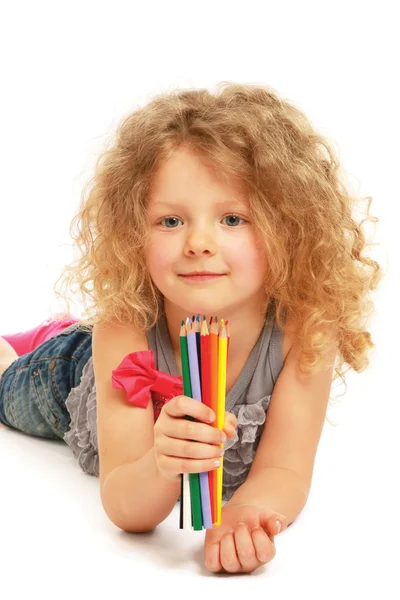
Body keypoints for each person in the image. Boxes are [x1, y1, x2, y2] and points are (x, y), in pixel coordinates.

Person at [0, 82, 382, 575]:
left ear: (289, 228)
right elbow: (124, 505)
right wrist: (162, 465)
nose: (199, 242)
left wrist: (246, 513)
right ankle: (34, 346)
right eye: (171, 221)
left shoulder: (306, 329)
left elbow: (285, 469)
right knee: (8, 387)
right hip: (66, 374)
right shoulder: (126, 324)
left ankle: (59, 329)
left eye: (232, 218)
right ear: (134, 229)